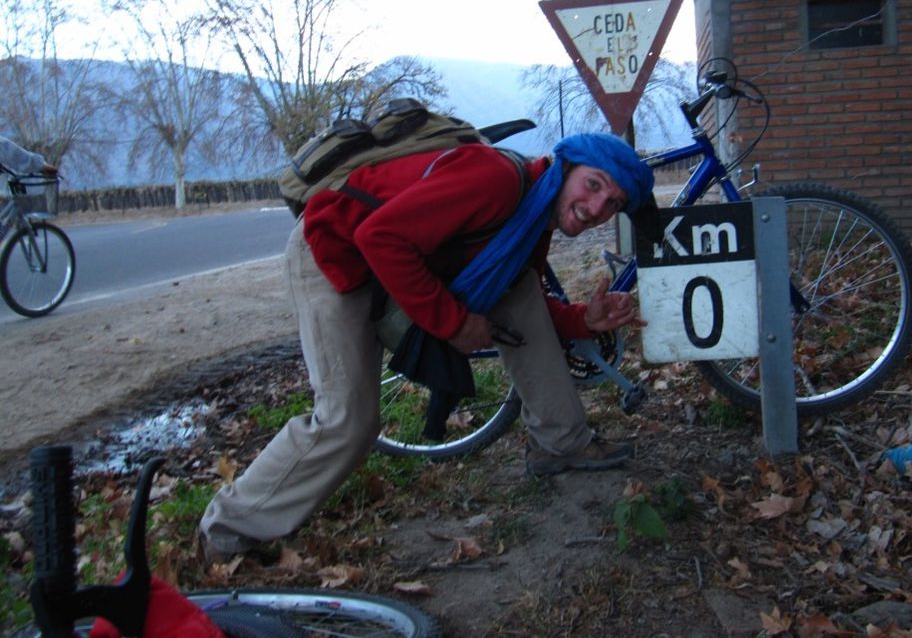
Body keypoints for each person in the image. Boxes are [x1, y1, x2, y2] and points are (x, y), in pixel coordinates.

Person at [199, 131, 656, 560]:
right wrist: (455, 325)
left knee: (519, 290)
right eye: (593, 185)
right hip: (334, 253)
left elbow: (528, 305)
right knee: (348, 420)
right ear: (565, 167)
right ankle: (228, 528)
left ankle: (561, 443)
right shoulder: (496, 182)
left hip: (397, 258)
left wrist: (584, 320)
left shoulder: (533, 218)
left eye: (612, 203)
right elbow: (378, 237)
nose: (596, 207)